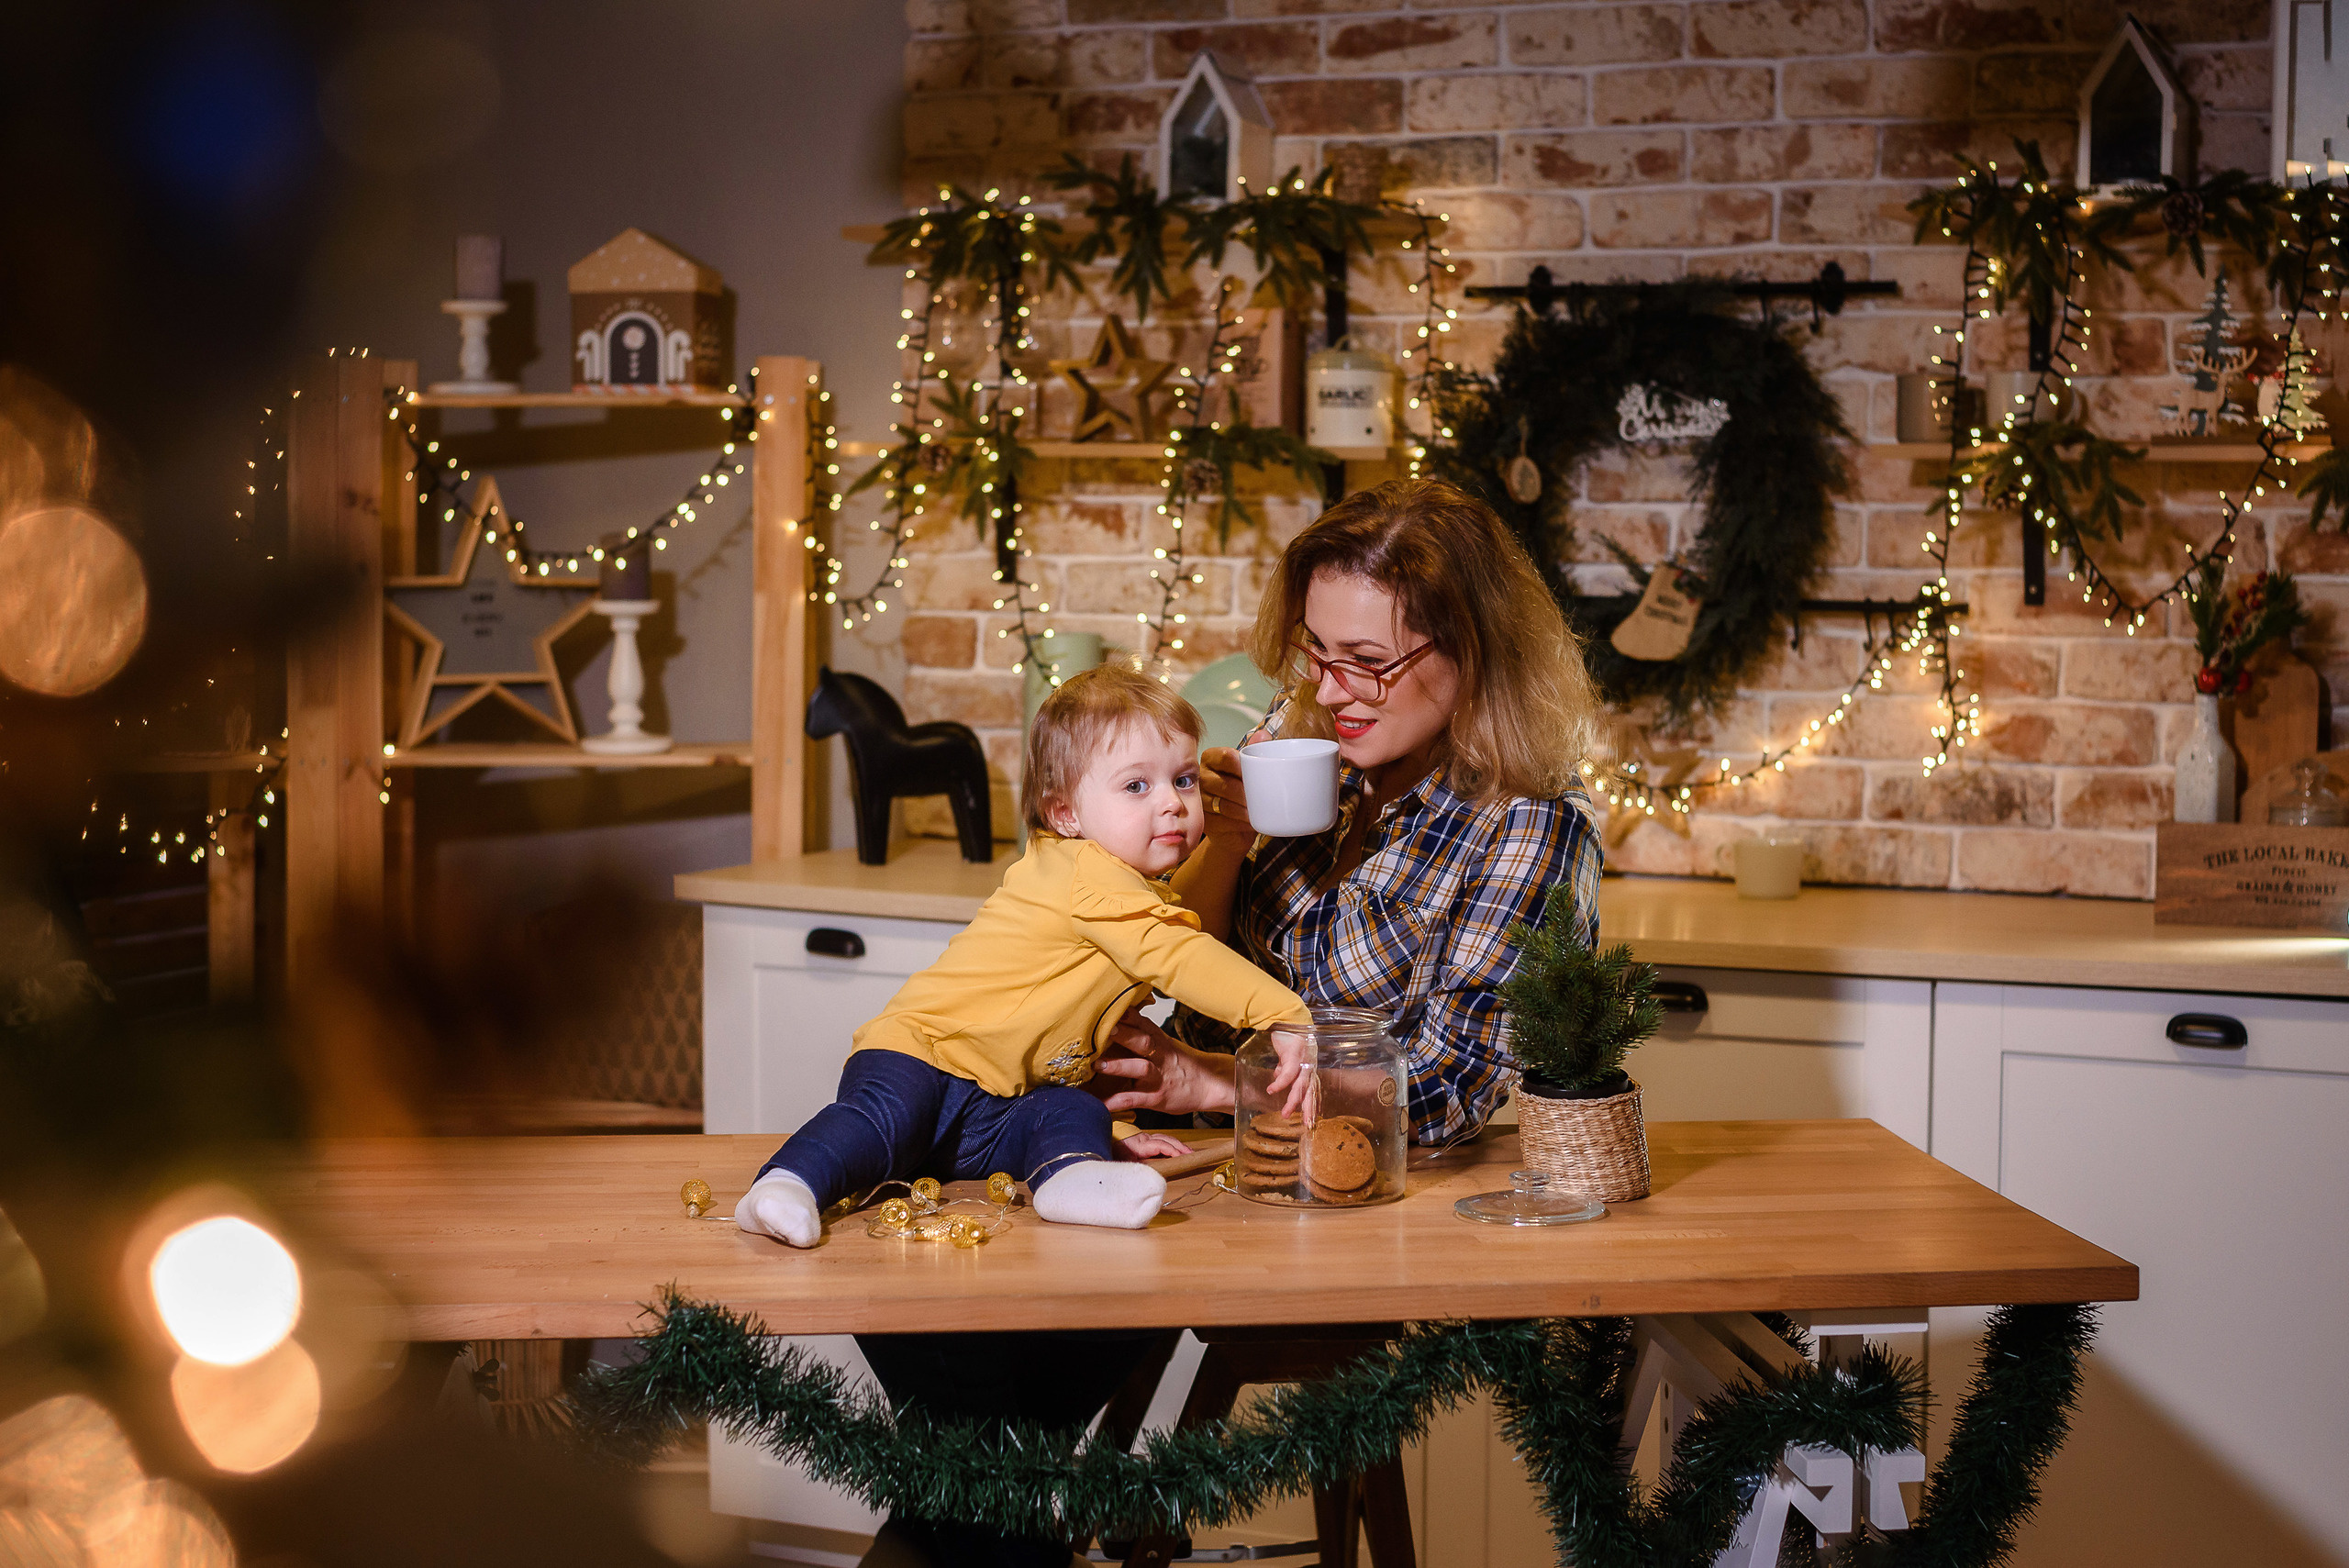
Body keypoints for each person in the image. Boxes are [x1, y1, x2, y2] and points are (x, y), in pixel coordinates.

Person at [1091, 476, 1605, 1145]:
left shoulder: (1533, 824)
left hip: (1353, 1177)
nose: (1330, 690)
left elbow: (1447, 1090)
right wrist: (1223, 838)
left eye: (1367, 660)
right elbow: (1176, 947)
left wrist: (1218, 1083)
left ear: (1473, 652)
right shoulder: (1304, 729)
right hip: (1176, 1141)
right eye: (1318, 651)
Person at [733, 663, 1313, 1248]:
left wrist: (1107, 1132)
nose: (1172, 804)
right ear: (1065, 813)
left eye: (1184, 780)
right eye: (1137, 786)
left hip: (995, 1106)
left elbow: (1084, 1021)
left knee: (1066, 1110)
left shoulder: (1130, 892)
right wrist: (1281, 1014)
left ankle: (1070, 1174)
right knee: (882, 1125)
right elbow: (1182, 956)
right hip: (925, 1055)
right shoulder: (1087, 875)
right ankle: (787, 1183)